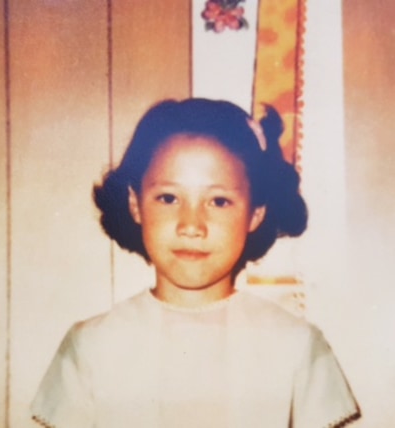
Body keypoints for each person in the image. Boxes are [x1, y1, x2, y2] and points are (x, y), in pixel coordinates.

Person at [31, 98, 360, 427]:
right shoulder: (92, 345)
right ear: (135, 204)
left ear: (254, 213)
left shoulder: (294, 344)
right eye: (169, 198)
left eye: (218, 201)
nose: (191, 225)